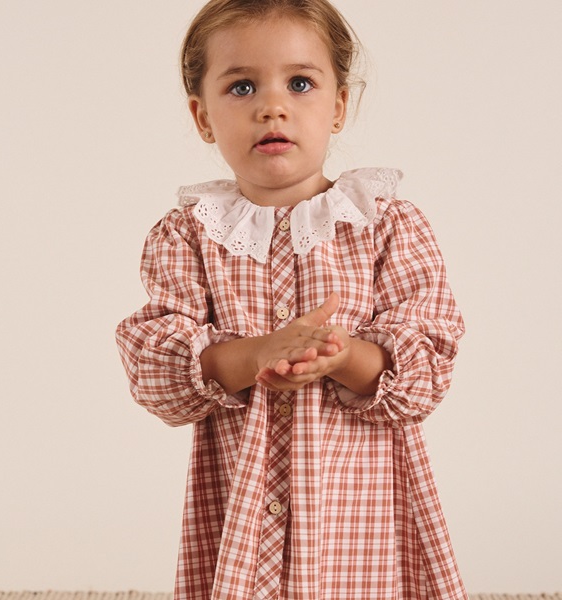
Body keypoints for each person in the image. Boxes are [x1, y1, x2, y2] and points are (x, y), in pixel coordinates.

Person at [115, 0, 467, 598]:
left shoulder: (387, 225)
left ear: (338, 106)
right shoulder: (188, 236)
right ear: (203, 118)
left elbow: (429, 362)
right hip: (242, 506)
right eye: (242, 86)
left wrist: (345, 355)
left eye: (300, 83)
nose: (271, 106)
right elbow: (155, 369)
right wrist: (254, 355)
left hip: (362, 511)